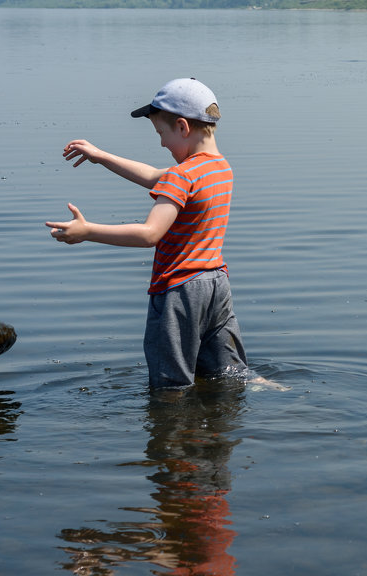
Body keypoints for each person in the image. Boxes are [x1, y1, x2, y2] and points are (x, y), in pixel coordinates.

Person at [45, 77, 251, 390]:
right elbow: (156, 176)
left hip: (179, 292)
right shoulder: (219, 168)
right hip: (216, 286)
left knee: (171, 384)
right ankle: (268, 397)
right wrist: (102, 156)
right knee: (228, 374)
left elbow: (149, 234)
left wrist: (87, 231)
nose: (161, 144)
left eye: (161, 134)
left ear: (182, 127)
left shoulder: (182, 176)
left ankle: (169, 431)